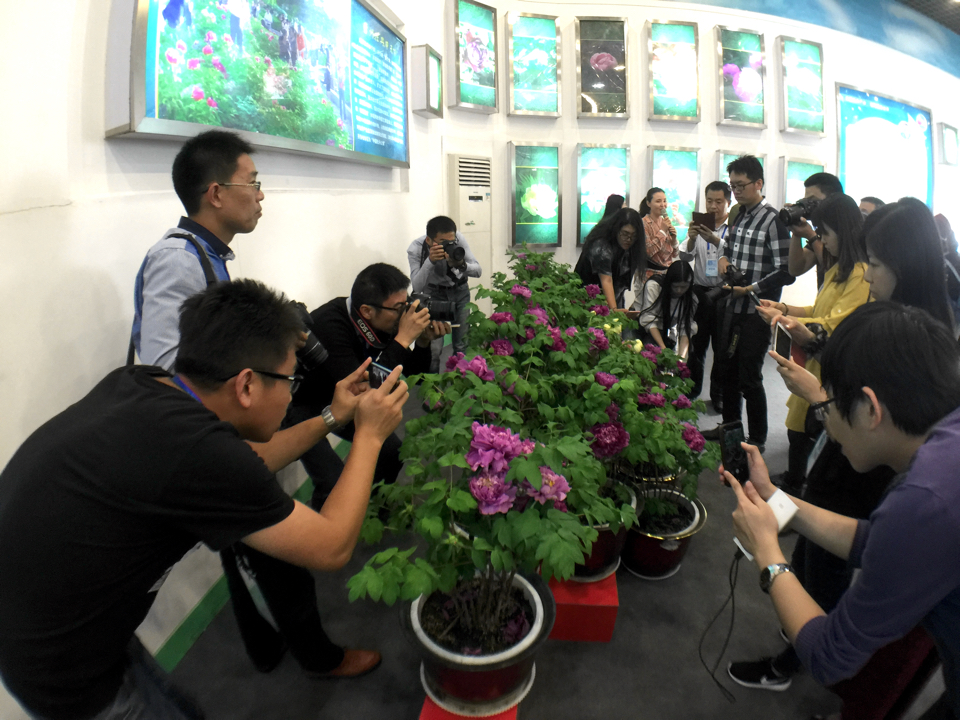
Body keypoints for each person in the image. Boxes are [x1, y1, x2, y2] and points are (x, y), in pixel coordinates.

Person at [0, 279, 408, 719]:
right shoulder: (193, 450)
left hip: (58, 617)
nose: (292, 393)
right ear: (247, 385)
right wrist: (369, 436)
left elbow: (251, 461)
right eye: (290, 380)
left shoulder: (149, 385)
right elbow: (331, 546)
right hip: (58, 665)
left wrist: (332, 416)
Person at [131, 130, 375, 681]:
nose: (261, 195)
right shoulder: (177, 259)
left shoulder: (207, 257)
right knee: (283, 556)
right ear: (216, 193)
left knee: (267, 554)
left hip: (226, 440)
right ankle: (318, 657)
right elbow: (172, 371)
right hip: (210, 446)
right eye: (253, 182)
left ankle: (287, 648)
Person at [732, 199, 953, 713]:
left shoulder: (923, 499)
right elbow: (873, 541)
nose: (826, 417)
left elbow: (832, 655)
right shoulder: (936, 456)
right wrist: (776, 499)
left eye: (833, 407)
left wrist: (768, 554)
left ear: (871, 407)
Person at [288, 263, 448, 509]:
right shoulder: (330, 325)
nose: (405, 313)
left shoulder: (382, 322)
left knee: (391, 451)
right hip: (304, 404)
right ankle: (323, 526)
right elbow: (363, 389)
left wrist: (423, 342)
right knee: (331, 480)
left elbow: (412, 373)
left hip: (342, 400)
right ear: (367, 311)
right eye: (399, 308)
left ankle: (373, 509)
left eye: (406, 303)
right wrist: (403, 339)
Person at [757, 193, 871, 493]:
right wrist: (783, 309)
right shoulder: (839, 269)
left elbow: (831, 327)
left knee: (815, 441)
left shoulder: (860, 275)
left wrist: (785, 320)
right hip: (813, 368)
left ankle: (800, 493)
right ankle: (795, 486)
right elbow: (816, 310)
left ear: (843, 231)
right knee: (798, 432)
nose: (822, 240)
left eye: (825, 233)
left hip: (828, 374)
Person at [702, 155, 794, 453]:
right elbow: (728, 247)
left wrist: (750, 289)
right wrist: (723, 258)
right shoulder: (738, 215)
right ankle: (730, 428)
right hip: (732, 306)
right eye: (733, 186)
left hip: (757, 311)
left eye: (741, 185)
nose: (736, 191)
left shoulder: (774, 220)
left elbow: (786, 271)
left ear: (758, 183)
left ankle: (757, 439)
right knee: (727, 371)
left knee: (750, 376)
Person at [407, 215, 482, 373]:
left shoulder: (458, 239)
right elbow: (417, 286)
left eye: (451, 241)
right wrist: (430, 261)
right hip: (434, 295)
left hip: (460, 292)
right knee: (434, 349)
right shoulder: (416, 248)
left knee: (461, 345)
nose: (448, 245)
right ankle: (433, 386)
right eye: (442, 242)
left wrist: (461, 265)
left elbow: (477, 270)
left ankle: (459, 383)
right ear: (429, 240)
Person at [686, 180, 731, 409]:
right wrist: (692, 238)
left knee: (721, 348)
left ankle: (719, 395)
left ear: (728, 202)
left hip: (725, 293)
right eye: (709, 201)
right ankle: (692, 390)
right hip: (700, 292)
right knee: (697, 344)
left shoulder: (735, 228)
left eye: (719, 201)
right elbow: (685, 257)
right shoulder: (699, 225)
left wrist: (716, 240)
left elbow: (733, 252)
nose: (713, 206)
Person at [574, 207, 646, 313]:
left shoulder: (632, 247)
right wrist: (614, 310)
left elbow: (621, 283)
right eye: (625, 234)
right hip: (587, 301)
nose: (629, 239)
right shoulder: (601, 245)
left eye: (634, 235)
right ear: (616, 229)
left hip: (613, 298)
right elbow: (606, 280)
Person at [786, 172, 845, 287]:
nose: (808, 205)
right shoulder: (820, 231)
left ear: (832, 199)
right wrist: (796, 231)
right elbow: (795, 269)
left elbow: (836, 269)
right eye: (806, 201)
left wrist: (811, 236)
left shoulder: (846, 230)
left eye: (812, 200)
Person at [632, 260, 697, 359]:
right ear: (669, 282)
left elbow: (686, 328)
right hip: (639, 325)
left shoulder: (691, 298)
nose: (679, 291)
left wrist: (681, 358)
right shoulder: (654, 286)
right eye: (675, 286)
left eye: (684, 287)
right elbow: (649, 321)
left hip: (663, 329)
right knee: (646, 354)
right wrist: (663, 348)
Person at [639, 186, 678, 281]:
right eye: (658, 201)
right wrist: (662, 232)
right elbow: (648, 252)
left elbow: (675, 254)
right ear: (648, 203)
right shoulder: (643, 223)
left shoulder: (665, 222)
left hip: (667, 274)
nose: (663, 205)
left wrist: (674, 241)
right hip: (650, 275)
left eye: (664, 201)